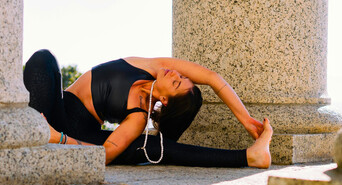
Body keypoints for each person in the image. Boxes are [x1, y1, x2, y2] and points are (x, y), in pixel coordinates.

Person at [23, 49, 272, 168]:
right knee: (43, 60)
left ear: (164, 100)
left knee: (150, 148)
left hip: (75, 131)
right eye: (182, 77)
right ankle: (33, 137)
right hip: (59, 107)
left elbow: (106, 154)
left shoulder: (137, 118)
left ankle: (249, 156)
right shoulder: (150, 67)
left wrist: (60, 138)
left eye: (176, 82)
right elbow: (213, 78)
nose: (176, 73)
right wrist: (246, 119)